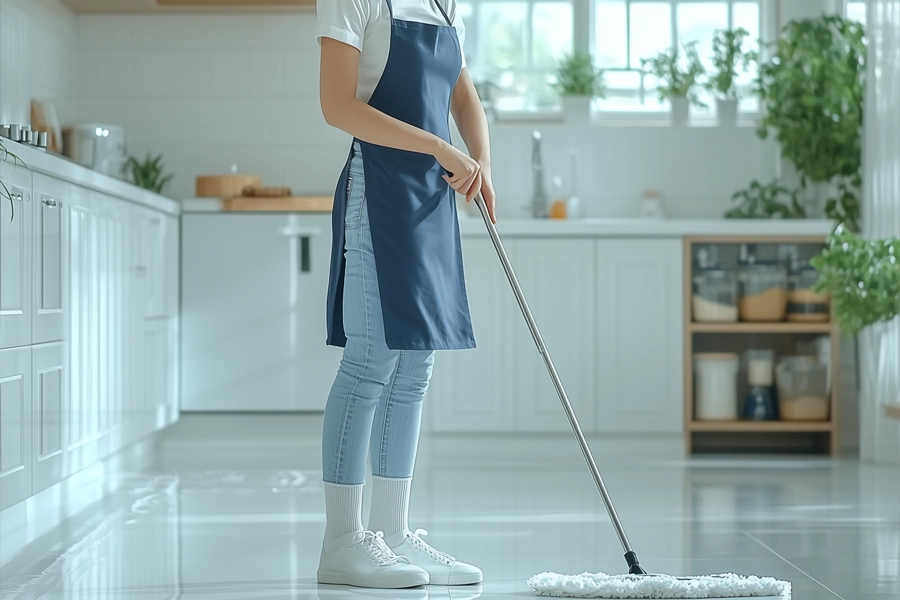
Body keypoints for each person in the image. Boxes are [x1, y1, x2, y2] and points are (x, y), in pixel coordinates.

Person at [315, 0, 496, 589]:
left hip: (431, 195)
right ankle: (342, 540)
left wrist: (482, 162)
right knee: (370, 361)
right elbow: (337, 105)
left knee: (415, 363)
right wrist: (442, 148)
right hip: (382, 188)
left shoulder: (445, 5)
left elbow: (464, 96)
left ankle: (393, 535)